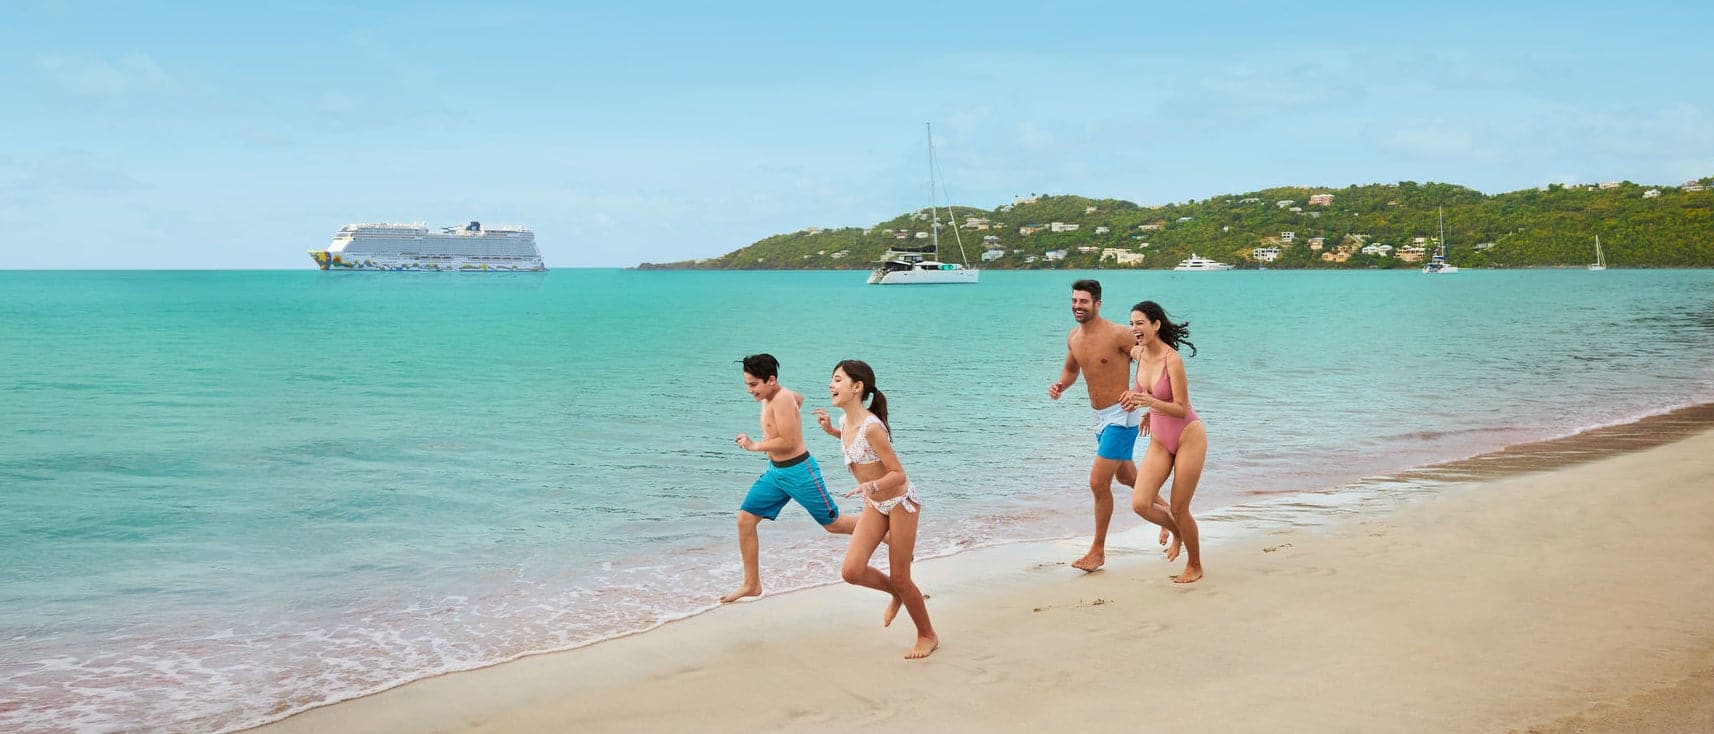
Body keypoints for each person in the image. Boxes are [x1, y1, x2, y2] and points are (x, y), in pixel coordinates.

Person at [813, 360, 938, 659]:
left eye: (837, 380)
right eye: (832, 379)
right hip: (877, 503)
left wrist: (872, 486)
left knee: (901, 575)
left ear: (857, 388)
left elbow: (898, 474)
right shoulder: (845, 423)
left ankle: (927, 634)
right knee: (852, 571)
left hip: (901, 502)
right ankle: (896, 594)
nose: (831, 385)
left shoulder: (872, 428)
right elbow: (853, 446)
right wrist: (831, 430)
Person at [1048, 280, 1173, 572]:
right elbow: (1071, 369)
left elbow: (1152, 360)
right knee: (1128, 477)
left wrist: (1146, 400)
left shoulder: (1118, 333)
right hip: (1100, 418)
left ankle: (1097, 550)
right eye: (1075, 301)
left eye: (1084, 302)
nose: (1078, 306)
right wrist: (1060, 386)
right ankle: (1168, 511)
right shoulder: (1074, 338)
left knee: (1098, 483)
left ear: (1098, 304)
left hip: (1122, 415)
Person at [722, 354, 857, 604]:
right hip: (776, 473)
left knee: (834, 524)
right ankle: (752, 584)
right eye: (747, 384)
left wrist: (754, 446)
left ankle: (884, 530)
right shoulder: (775, 395)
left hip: (799, 472)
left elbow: (789, 442)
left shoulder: (781, 398)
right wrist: (790, 416)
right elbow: (800, 399)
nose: (749, 390)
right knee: (745, 520)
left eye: (754, 385)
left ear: (771, 380)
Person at [1122, 301, 1205, 583]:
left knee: (1180, 507)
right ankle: (1178, 531)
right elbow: (1141, 391)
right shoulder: (1139, 354)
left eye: (1140, 323)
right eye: (1132, 323)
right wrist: (1142, 408)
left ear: (1156, 325)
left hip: (1188, 436)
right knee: (1141, 503)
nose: (1134, 329)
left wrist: (1150, 402)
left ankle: (1194, 564)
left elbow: (1181, 407)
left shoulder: (1173, 361)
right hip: (1160, 438)